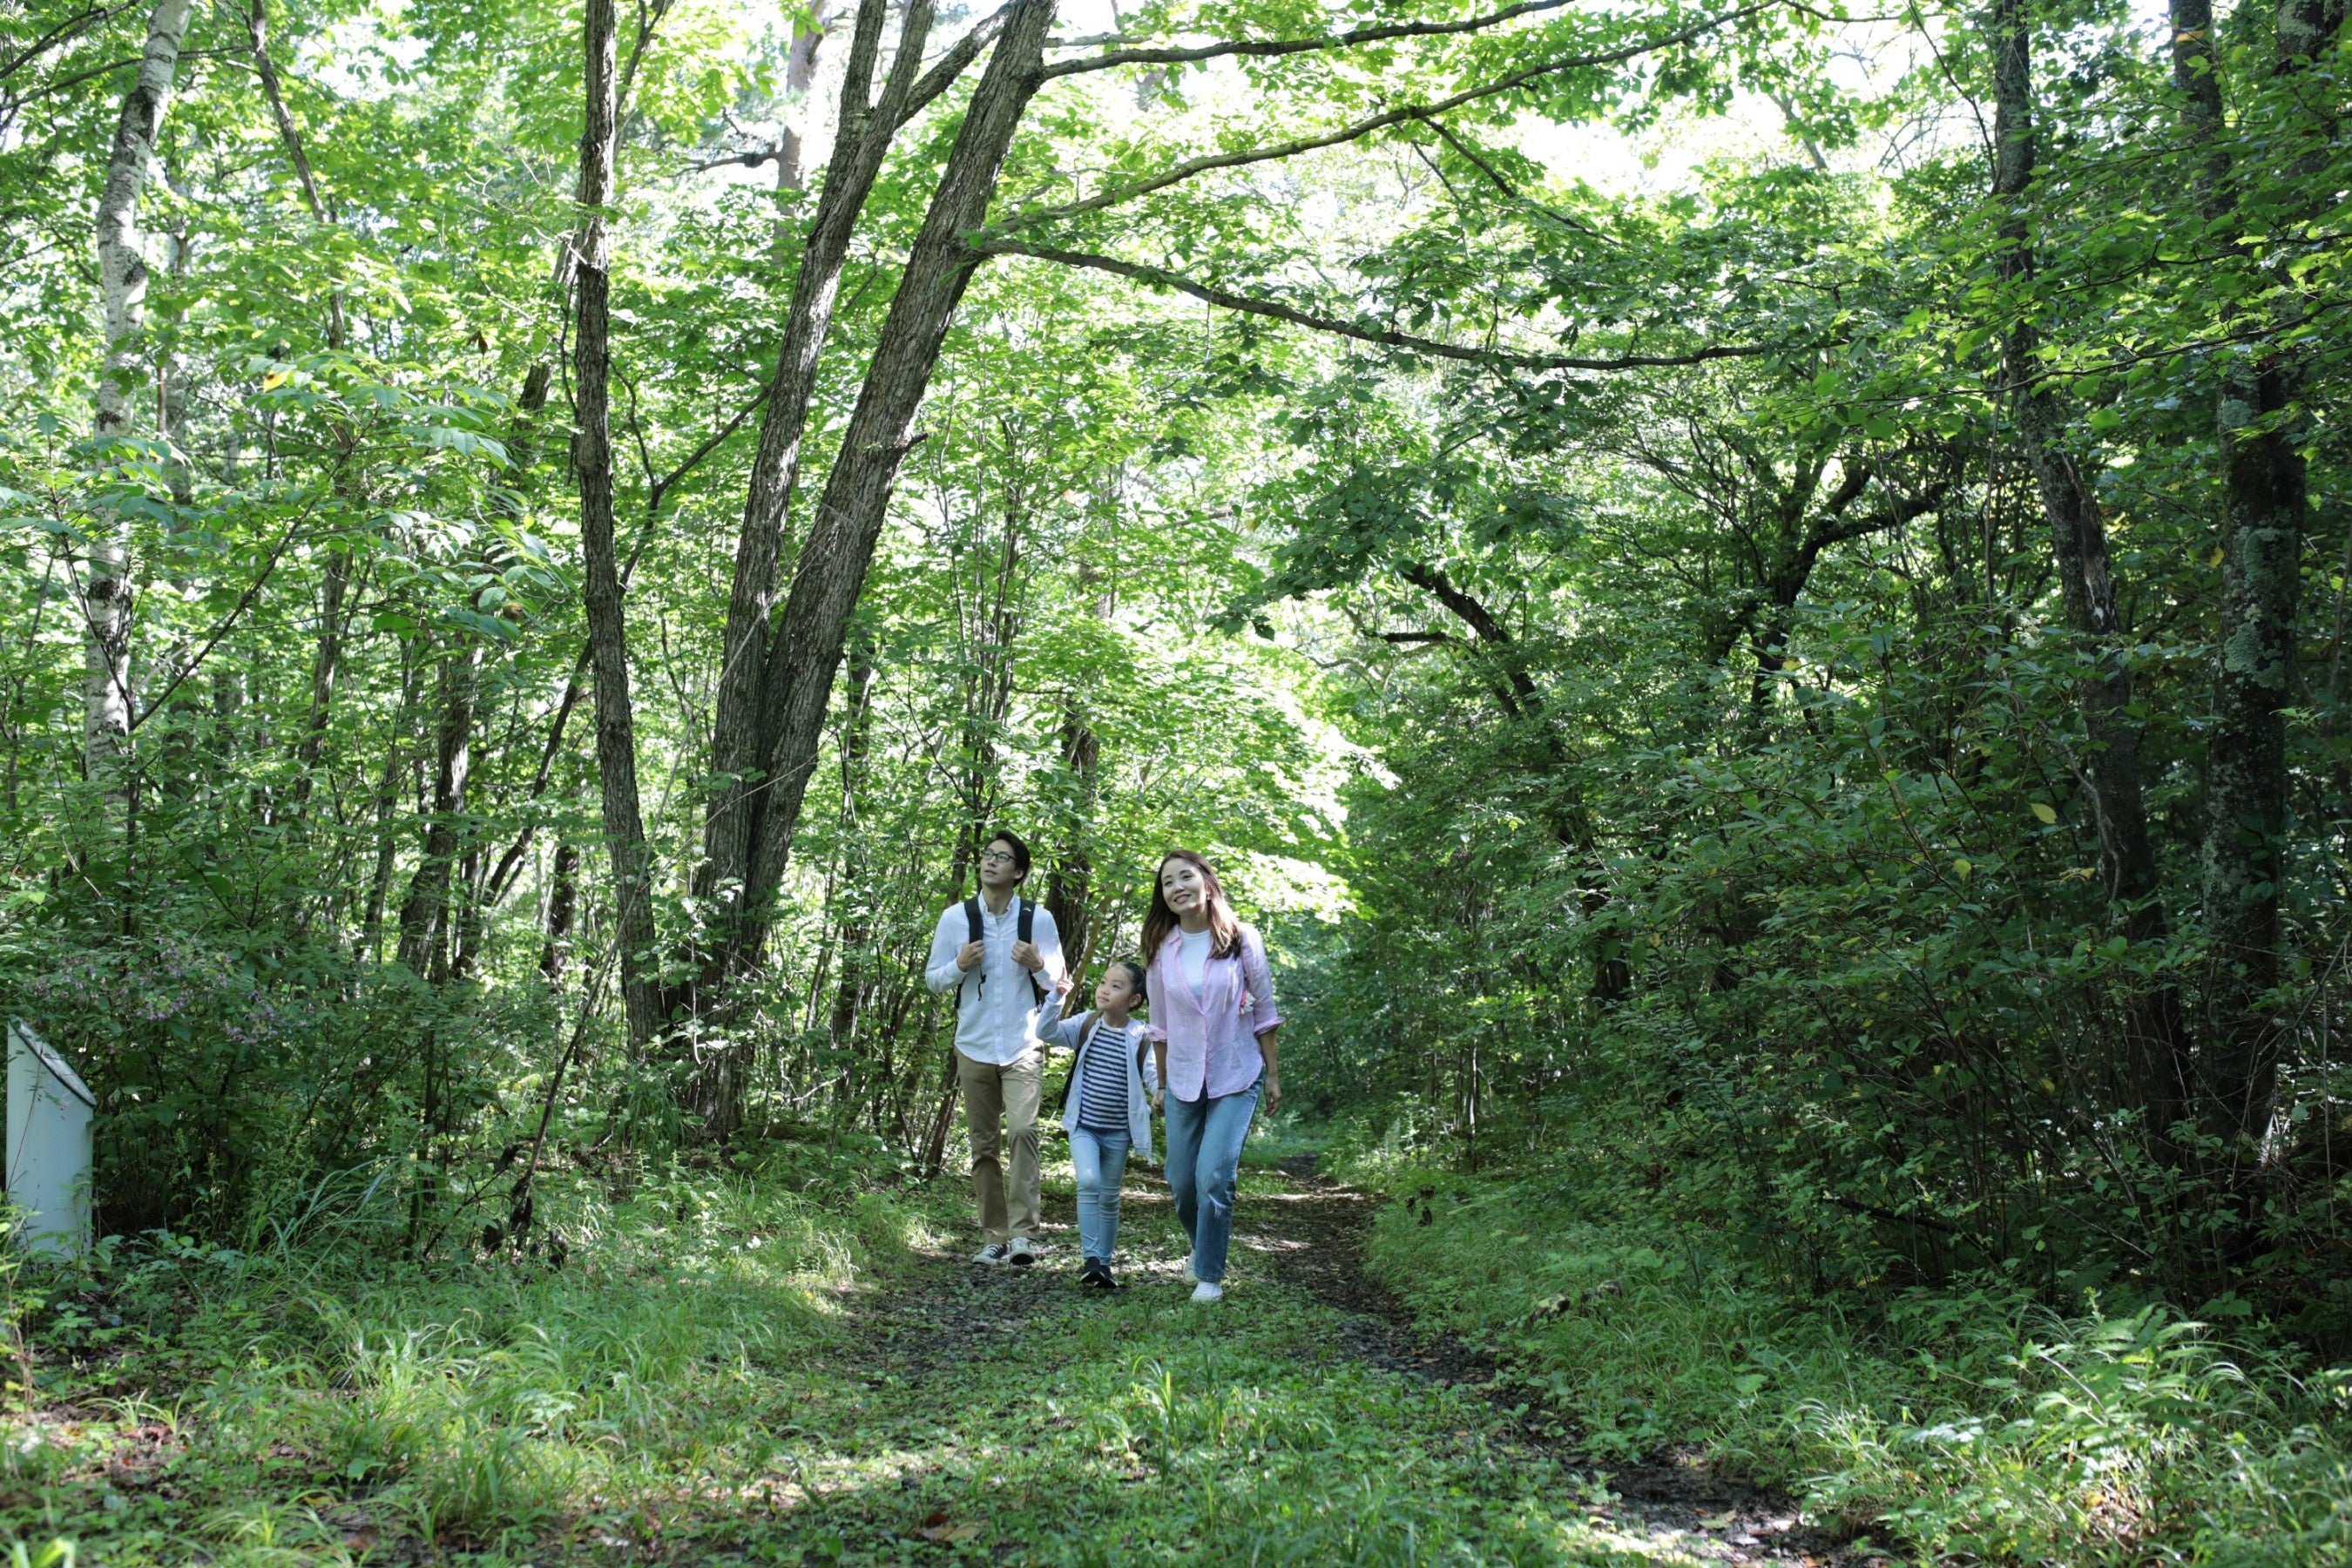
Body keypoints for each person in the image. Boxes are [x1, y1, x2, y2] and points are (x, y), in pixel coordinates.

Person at [1142, 850, 1281, 1303]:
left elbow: (1264, 1012)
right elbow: (1159, 1026)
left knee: (1214, 1176)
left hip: (1236, 1072)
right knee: (1182, 1182)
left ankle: (1209, 1276)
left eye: (1185, 876)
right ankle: (1201, 1246)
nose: (1177, 887)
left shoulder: (1243, 939)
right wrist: (1162, 1084)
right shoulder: (1161, 950)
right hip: (1183, 1077)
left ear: (1206, 882)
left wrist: (1273, 1074)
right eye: (1167, 882)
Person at [923, 829, 1064, 1266]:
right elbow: (933, 980)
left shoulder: (1038, 919)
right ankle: (994, 1236)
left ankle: (1023, 1236)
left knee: (1023, 1132)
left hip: (1023, 1046)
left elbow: (1059, 984)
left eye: (1002, 857)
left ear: (1018, 872)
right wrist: (959, 965)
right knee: (983, 1146)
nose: (990, 862)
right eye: (987, 855)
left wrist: (1038, 965)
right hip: (973, 1045)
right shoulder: (955, 918)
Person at [1037, 959, 1155, 1289]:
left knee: (1109, 1197)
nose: (1104, 989)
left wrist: (1161, 1092)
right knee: (1089, 1181)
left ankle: (1103, 1265)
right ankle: (1091, 1258)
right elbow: (1045, 1032)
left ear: (1134, 1000)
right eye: (1104, 982)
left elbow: (1152, 1074)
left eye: (1116, 986)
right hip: (1084, 1126)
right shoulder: (1086, 1023)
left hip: (1119, 1132)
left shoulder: (1141, 1036)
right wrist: (1056, 997)